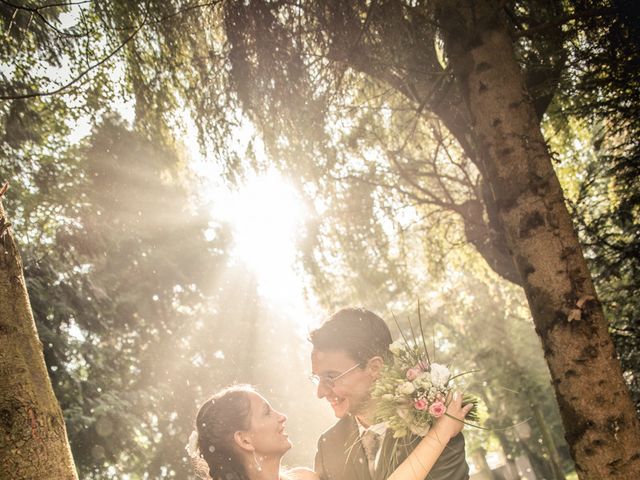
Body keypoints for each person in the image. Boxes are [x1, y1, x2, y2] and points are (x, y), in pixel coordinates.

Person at [309, 307, 470, 480]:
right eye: (317, 379)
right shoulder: (329, 447)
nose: (320, 392)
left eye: (331, 377)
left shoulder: (436, 422)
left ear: (375, 368)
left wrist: (440, 432)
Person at [188, 384, 472, 480]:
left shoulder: (304, 477)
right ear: (244, 439)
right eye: (266, 412)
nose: (281, 417)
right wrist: (441, 432)